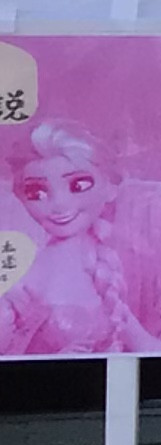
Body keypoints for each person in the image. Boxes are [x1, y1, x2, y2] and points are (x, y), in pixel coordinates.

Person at [0, 118, 143, 354]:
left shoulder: (109, 262)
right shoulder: (25, 276)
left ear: (110, 186)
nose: (60, 205)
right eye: (37, 192)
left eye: (79, 185)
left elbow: (146, 345)